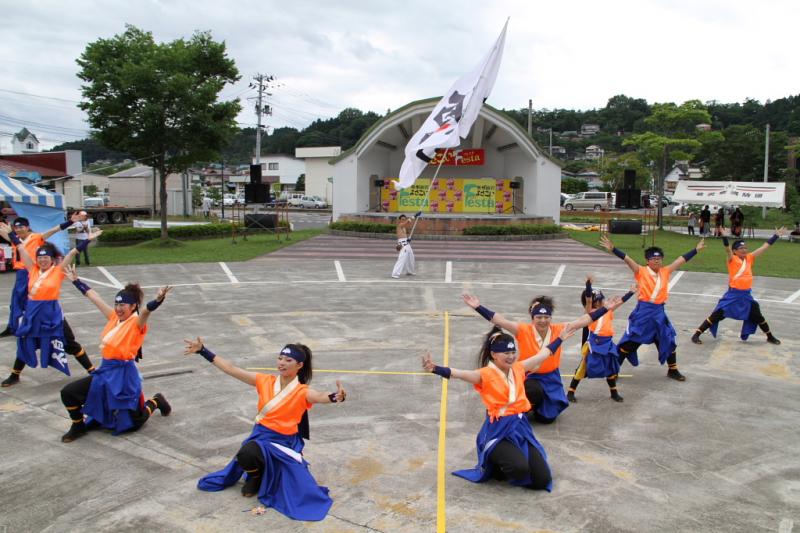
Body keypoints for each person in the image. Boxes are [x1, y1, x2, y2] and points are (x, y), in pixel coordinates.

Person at [185, 338, 346, 522]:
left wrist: (335, 397)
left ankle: (265, 475)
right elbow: (231, 369)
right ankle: (255, 476)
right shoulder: (264, 381)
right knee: (246, 453)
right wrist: (203, 351)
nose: (282, 363)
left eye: (288, 361)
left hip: (284, 443)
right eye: (280, 359)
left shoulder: (302, 391)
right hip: (261, 436)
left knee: (294, 487)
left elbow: (319, 396)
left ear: (299, 365)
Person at [422, 326, 573, 490]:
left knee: (542, 480)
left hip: (520, 427)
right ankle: (495, 464)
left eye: (513, 352)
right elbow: (459, 373)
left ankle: (511, 458)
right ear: (494, 355)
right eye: (506, 353)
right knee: (519, 469)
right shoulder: (484, 374)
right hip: (498, 430)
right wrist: (435, 369)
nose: (511, 357)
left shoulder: (519, 367)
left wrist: (560, 338)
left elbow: (543, 354)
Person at [462, 291, 626, 423]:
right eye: (538, 317)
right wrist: (478, 307)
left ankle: (534, 408)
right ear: (532, 318)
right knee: (533, 390)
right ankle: (518, 410)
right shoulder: (523, 330)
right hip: (527, 377)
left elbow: (584, 320)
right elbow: (500, 320)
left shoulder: (559, 329)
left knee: (547, 418)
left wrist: (605, 309)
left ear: (550, 318)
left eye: (546, 317)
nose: (542, 320)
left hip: (551, 377)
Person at [59, 268, 172, 442]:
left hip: (123, 376)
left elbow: (146, 312)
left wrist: (158, 299)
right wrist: (76, 281)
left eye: (123, 305)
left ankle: (156, 401)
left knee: (133, 422)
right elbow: (94, 297)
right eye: (116, 304)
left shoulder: (136, 323)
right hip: (105, 372)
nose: (118, 309)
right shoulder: (114, 317)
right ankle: (78, 426)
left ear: (133, 306)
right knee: (68, 393)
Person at [0, 222, 99, 387]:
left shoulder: (58, 271)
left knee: (71, 344)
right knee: (26, 342)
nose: (43, 260)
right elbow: (22, 249)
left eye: (46, 257)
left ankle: (92, 370)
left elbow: (72, 253)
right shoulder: (32, 269)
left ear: (52, 260)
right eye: (40, 257)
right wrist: (11, 235)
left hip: (52, 314)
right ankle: (15, 375)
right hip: (33, 315)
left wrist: (87, 240)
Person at [600, 234, 705, 381]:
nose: (657, 261)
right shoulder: (641, 271)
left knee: (668, 339)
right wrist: (613, 249)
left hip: (659, 313)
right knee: (630, 342)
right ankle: (613, 369)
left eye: (659, 259)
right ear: (647, 261)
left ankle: (672, 370)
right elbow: (628, 260)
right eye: (653, 259)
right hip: (643, 313)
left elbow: (680, 260)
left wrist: (696, 250)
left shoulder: (665, 271)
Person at [691, 227, 787, 345]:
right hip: (733, 295)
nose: (744, 250)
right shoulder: (732, 259)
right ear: (735, 251)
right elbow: (727, 249)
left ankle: (770, 336)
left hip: (746, 296)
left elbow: (764, 247)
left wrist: (775, 236)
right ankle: (696, 334)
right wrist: (725, 237)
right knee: (717, 315)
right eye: (741, 248)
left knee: (758, 317)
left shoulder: (749, 258)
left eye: (745, 247)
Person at [0, 212, 86, 338]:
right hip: (21, 273)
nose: (19, 229)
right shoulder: (15, 239)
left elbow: (54, 230)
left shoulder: (36, 237)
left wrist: (70, 222)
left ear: (27, 227)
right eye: (16, 227)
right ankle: (12, 326)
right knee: (16, 301)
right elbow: (4, 232)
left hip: (33, 272)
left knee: (34, 300)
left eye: (21, 227)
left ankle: (31, 325)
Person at [567, 277, 636, 403]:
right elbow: (588, 300)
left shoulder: (608, 310)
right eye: (597, 300)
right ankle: (571, 392)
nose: (599, 302)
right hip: (595, 344)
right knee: (583, 367)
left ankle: (614, 392)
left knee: (610, 368)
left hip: (607, 343)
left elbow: (620, 301)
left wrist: (631, 292)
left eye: (600, 299)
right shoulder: (589, 313)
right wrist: (588, 285)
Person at [391, 211, 420, 279]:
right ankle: (395, 273)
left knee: (411, 257)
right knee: (401, 259)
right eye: (402, 219)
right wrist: (414, 216)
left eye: (404, 219)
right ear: (400, 220)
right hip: (402, 245)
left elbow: (404, 236)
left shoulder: (404, 228)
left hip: (407, 244)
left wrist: (408, 239)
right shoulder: (400, 225)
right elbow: (407, 222)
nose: (403, 220)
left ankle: (409, 271)